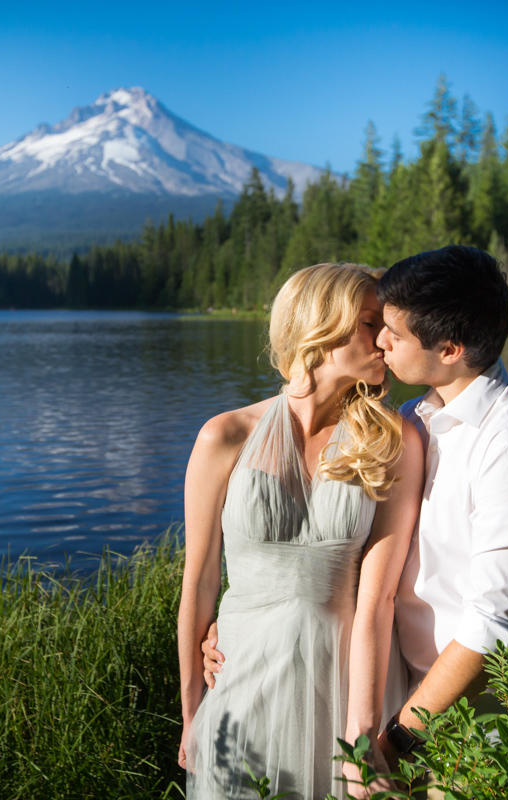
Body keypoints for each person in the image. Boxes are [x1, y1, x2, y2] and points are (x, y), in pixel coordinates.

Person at [202, 246, 508, 794]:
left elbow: (493, 624)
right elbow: (351, 556)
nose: (379, 342)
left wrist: (396, 740)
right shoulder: (409, 421)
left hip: (477, 716)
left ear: (449, 348)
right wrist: (247, 620)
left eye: (392, 334)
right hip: (399, 693)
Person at [177, 262, 425, 800]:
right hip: (242, 678)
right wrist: (191, 709)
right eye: (369, 323)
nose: (386, 339)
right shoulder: (224, 436)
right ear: (322, 325)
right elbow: (197, 584)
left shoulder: (393, 439)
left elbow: (378, 595)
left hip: (348, 684)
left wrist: (365, 728)